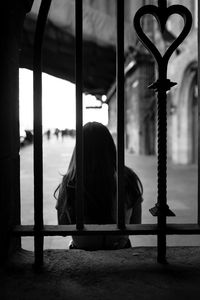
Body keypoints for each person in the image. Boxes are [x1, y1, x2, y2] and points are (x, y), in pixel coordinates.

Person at [54, 122, 143, 250]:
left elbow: (63, 229)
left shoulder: (70, 182)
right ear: (110, 146)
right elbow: (136, 224)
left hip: (83, 250)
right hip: (119, 248)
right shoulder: (128, 178)